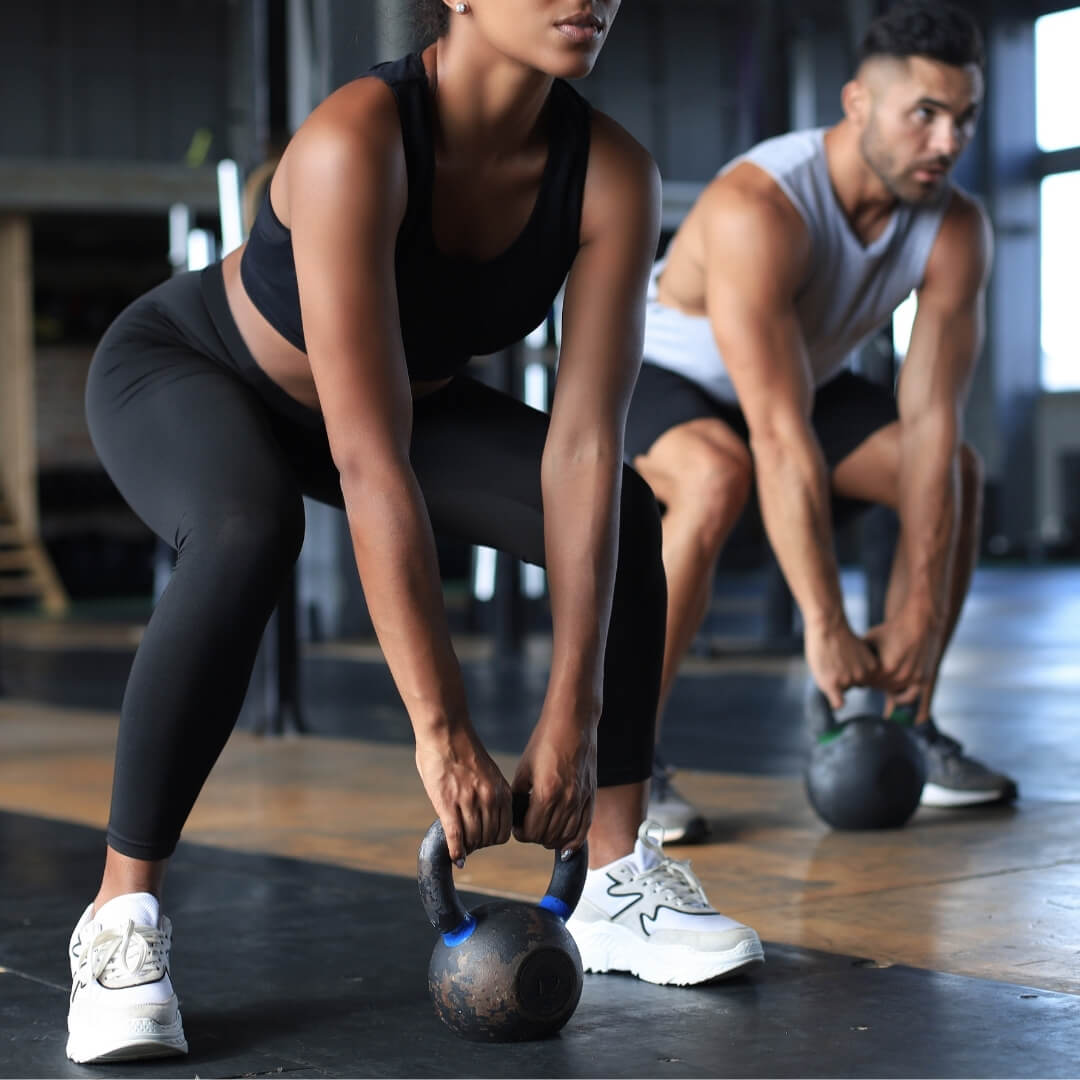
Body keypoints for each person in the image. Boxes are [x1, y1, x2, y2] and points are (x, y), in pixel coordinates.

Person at [68, 0, 764, 1064]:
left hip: (404, 406)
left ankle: (619, 877)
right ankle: (121, 919)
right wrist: (441, 732)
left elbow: (580, 448)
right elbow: (367, 458)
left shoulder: (613, 175)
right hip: (196, 373)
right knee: (250, 532)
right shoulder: (361, 137)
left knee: (623, 501)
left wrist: (572, 714)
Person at [627, 0, 1018, 842]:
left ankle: (911, 722)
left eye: (964, 118)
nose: (949, 142)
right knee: (716, 472)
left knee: (958, 468)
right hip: (667, 375)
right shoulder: (759, 207)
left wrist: (915, 615)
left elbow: (934, 424)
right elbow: (778, 435)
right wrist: (826, 624)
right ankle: (626, 758)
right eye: (925, 115)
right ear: (857, 105)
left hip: (804, 383)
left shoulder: (955, 227)